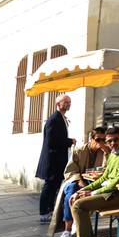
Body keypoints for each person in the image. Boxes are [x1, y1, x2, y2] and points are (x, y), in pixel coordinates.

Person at [50, 127, 105, 237]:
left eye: (103, 140)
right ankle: (67, 230)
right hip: (77, 180)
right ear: (91, 139)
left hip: (95, 182)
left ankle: (80, 225)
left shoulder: (105, 152)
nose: (101, 143)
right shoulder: (79, 150)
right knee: (71, 192)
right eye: (98, 139)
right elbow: (70, 171)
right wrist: (80, 181)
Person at [35, 94, 74, 224]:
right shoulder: (53, 119)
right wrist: (70, 141)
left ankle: (51, 210)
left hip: (58, 160)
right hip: (52, 161)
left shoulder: (60, 118)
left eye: (69, 102)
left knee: (55, 186)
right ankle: (43, 212)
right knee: (49, 187)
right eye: (66, 102)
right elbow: (51, 141)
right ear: (58, 104)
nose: (68, 104)